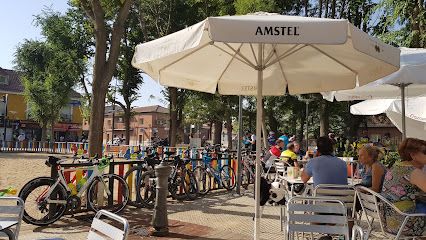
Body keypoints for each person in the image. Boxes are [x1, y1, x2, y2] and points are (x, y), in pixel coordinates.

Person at [380, 138, 426, 236]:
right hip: (407, 223)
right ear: (413, 155)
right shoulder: (413, 172)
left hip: (390, 222)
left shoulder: (396, 167)